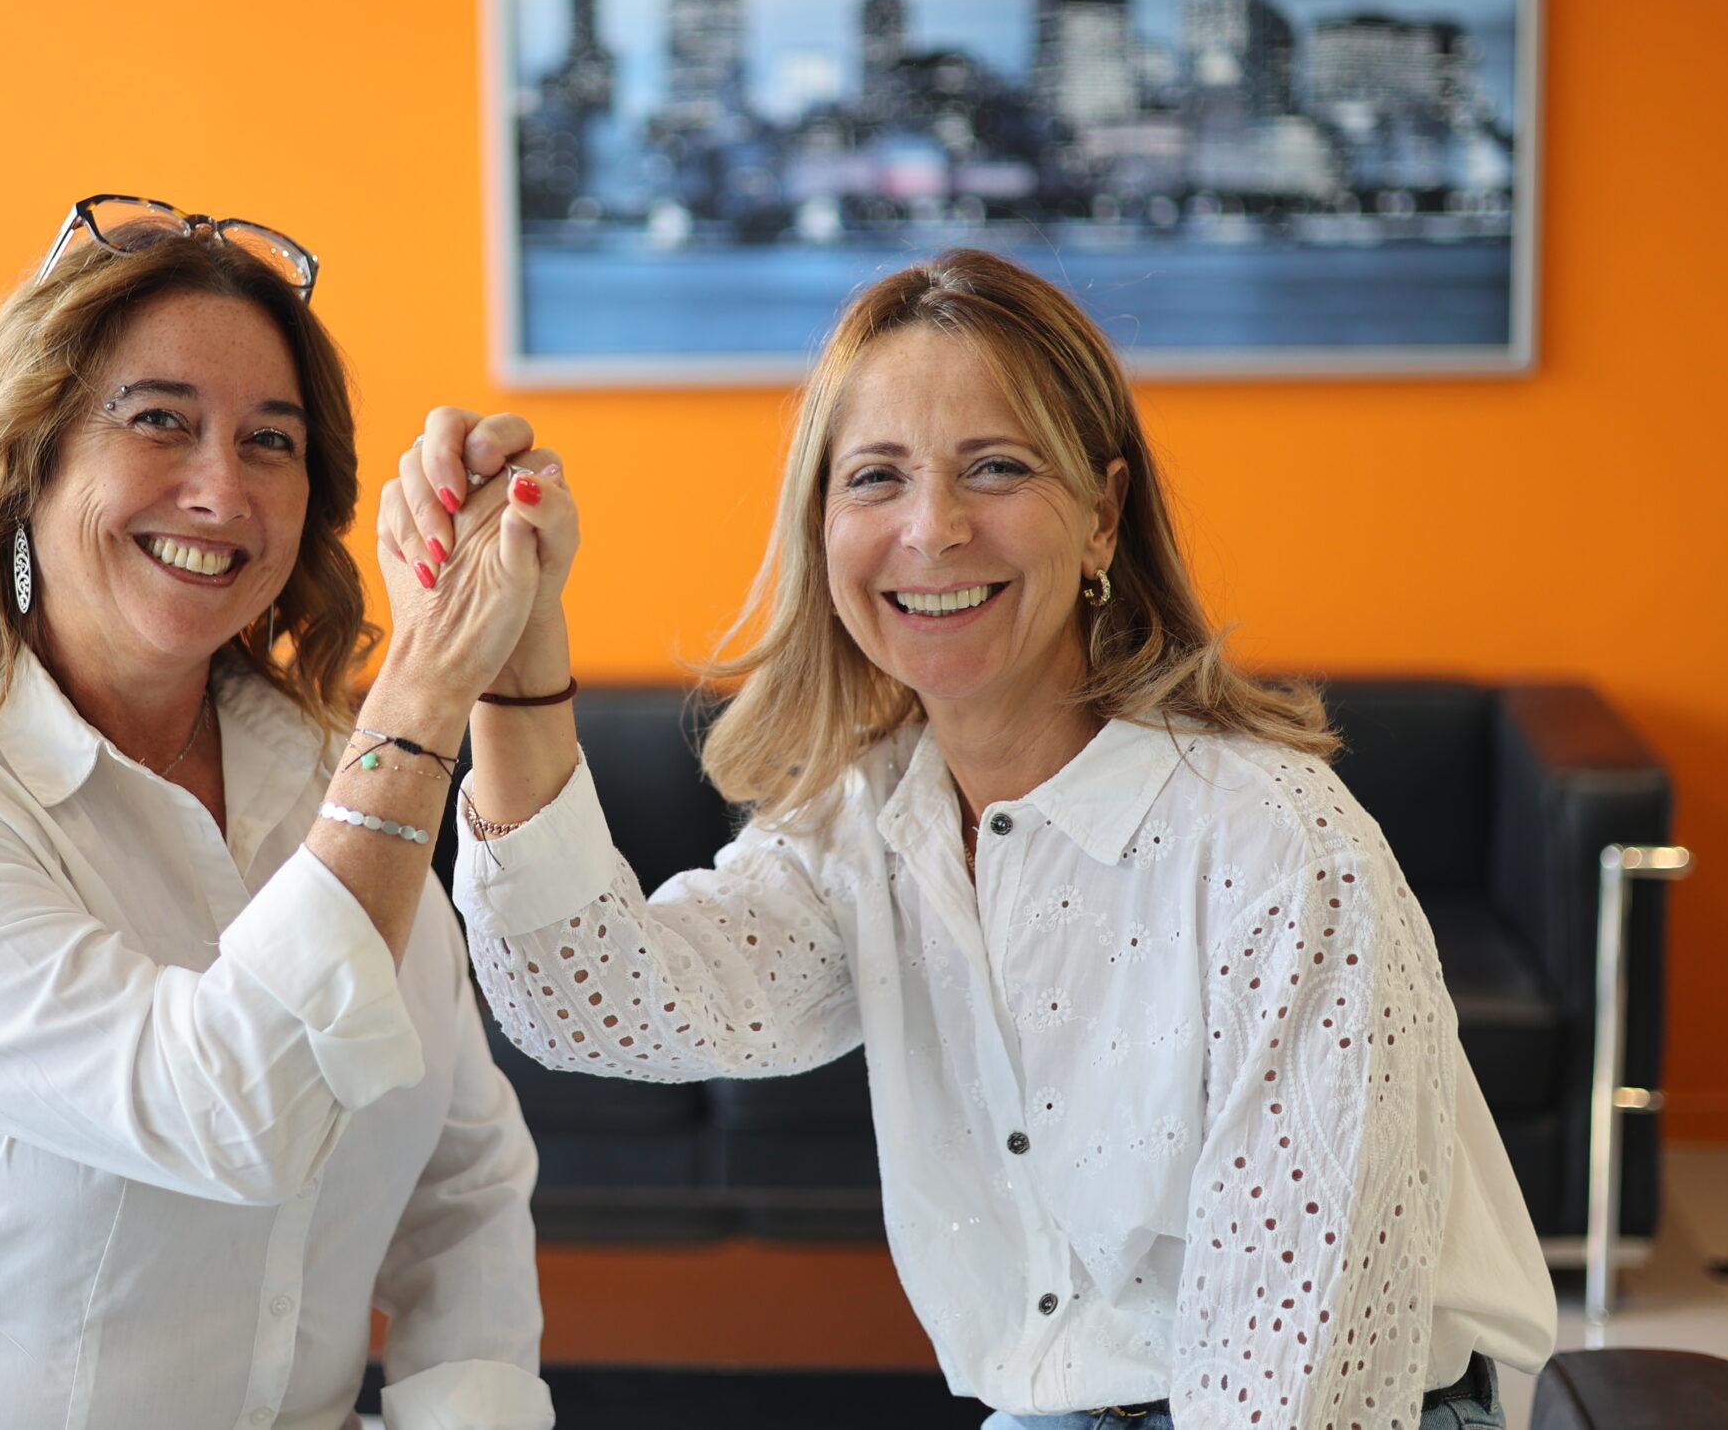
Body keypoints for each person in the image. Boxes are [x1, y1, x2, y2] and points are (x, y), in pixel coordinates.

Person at [391, 249, 1555, 1430]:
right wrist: (512, 654)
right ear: (823, 527)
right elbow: (590, 1003)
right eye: (876, 478)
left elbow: (1300, 1391)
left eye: (995, 468)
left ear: (1102, 516)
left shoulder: (1276, 848)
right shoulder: (869, 821)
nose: (933, 529)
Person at [0, 196, 561, 1430]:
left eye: (270, 441)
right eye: (159, 420)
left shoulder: (323, 780)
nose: (220, 491)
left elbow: (461, 1177)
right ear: (31, 460)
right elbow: (228, 1114)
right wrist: (426, 691)